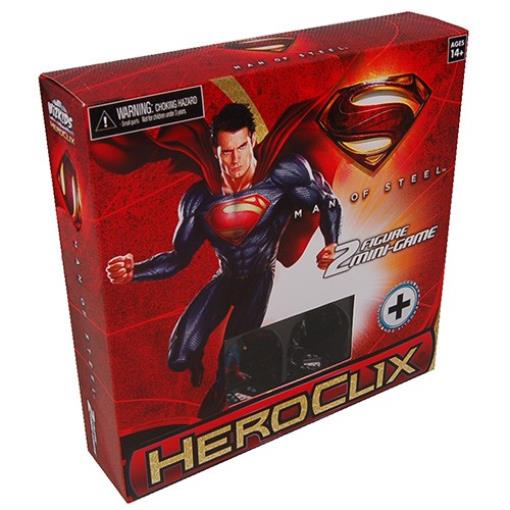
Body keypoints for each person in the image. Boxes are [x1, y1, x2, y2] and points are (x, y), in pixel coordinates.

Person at [105, 103, 341, 417]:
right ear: (215, 152)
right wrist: (135, 271)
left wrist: (331, 242)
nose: (235, 160)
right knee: (178, 358)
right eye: (227, 152)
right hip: (226, 276)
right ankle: (196, 364)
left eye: (242, 148)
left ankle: (219, 394)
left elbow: (328, 201)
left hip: (260, 276)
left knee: (231, 359)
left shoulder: (283, 177)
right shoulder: (200, 199)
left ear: (253, 140)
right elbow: (178, 259)